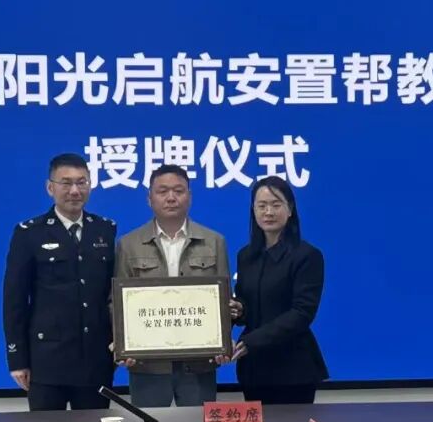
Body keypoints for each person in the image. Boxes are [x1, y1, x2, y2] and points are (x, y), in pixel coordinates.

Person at [3, 153, 116, 410]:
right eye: (66, 183)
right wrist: (17, 359)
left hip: (95, 360)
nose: (75, 191)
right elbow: (14, 300)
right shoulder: (29, 233)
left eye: (81, 182)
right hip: (47, 361)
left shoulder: (105, 230)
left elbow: (112, 296)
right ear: (50, 187)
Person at [115, 164, 231, 407]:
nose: (171, 197)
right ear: (149, 199)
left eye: (178, 191)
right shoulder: (129, 244)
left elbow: (223, 301)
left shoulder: (214, 242)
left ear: (189, 196)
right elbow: (116, 304)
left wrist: (223, 344)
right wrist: (123, 346)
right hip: (147, 365)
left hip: (198, 364)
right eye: (162, 191)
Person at [230, 176, 327, 405]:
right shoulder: (246, 256)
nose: (268, 212)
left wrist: (252, 341)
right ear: (253, 210)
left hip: (293, 368)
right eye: (261, 205)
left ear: (290, 209)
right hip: (254, 369)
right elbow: (247, 305)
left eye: (276, 204)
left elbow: (302, 313)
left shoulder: (307, 256)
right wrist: (238, 310)